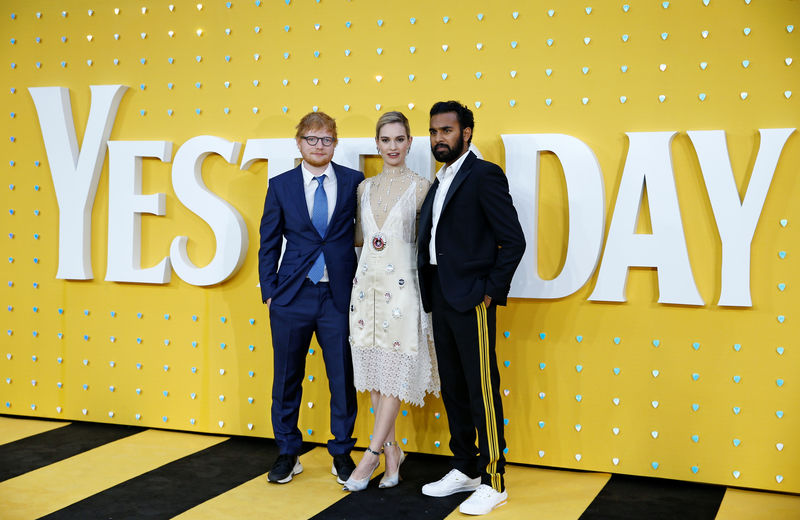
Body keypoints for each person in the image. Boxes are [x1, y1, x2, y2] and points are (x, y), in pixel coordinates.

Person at [417, 101, 525, 515]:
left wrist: (490, 291)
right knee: (454, 387)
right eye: (433, 131)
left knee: (481, 388)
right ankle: (465, 467)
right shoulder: (440, 179)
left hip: (472, 299)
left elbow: (512, 240)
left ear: (466, 133)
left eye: (446, 130)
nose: (438, 138)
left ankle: (494, 479)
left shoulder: (484, 175)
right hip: (441, 297)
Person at [258, 111, 364, 485]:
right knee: (286, 378)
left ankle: (341, 453)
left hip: (338, 295)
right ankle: (288, 451)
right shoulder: (281, 185)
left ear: (336, 143)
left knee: (342, 378)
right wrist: (269, 291)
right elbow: (268, 243)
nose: (320, 146)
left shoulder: (354, 182)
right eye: (312, 139)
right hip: (291, 296)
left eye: (327, 140)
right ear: (299, 142)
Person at [343, 111, 440, 492]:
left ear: (410, 142)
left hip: (404, 294)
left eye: (400, 139)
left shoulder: (422, 187)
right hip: (365, 293)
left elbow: (427, 245)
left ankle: (370, 455)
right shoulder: (364, 189)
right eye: (386, 140)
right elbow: (358, 240)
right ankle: (393, 451)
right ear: (377, 144)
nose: (393, 147)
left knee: (394, 375)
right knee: (375, 378)